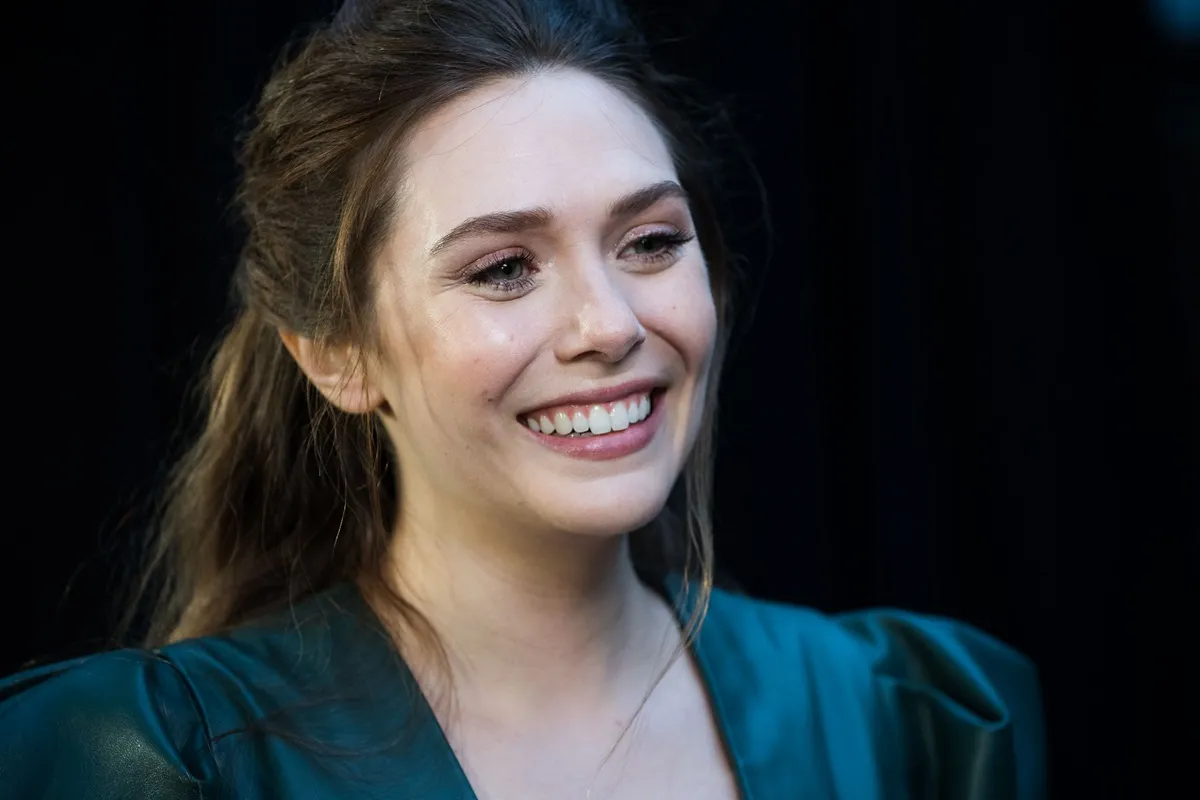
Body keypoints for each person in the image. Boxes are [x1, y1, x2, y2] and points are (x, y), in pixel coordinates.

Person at [0, 0, 1046, 797]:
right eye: (503, 268)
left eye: (650, 242)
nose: (611, 322)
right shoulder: (147, 759)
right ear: (336, 355)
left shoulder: (906, 718)